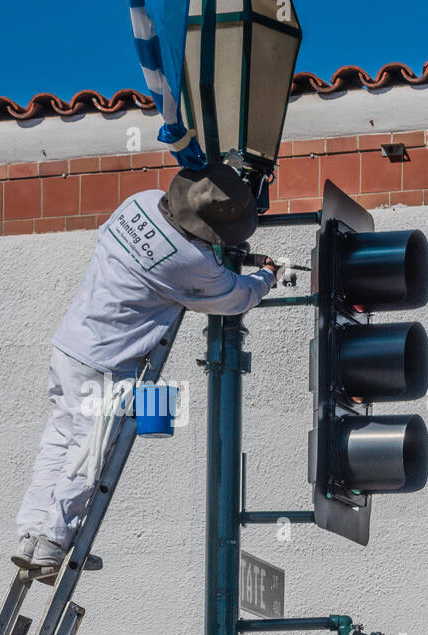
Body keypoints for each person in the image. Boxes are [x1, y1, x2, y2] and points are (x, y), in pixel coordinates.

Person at [15, 161, 279, 575]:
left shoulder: (137, 203)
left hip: (69, 344)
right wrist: (266, 276)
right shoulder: (190, 259)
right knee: (88, 455)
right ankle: (53, 543)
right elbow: (233, 296)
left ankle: (31, 532)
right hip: (105, 363)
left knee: (58, 441)